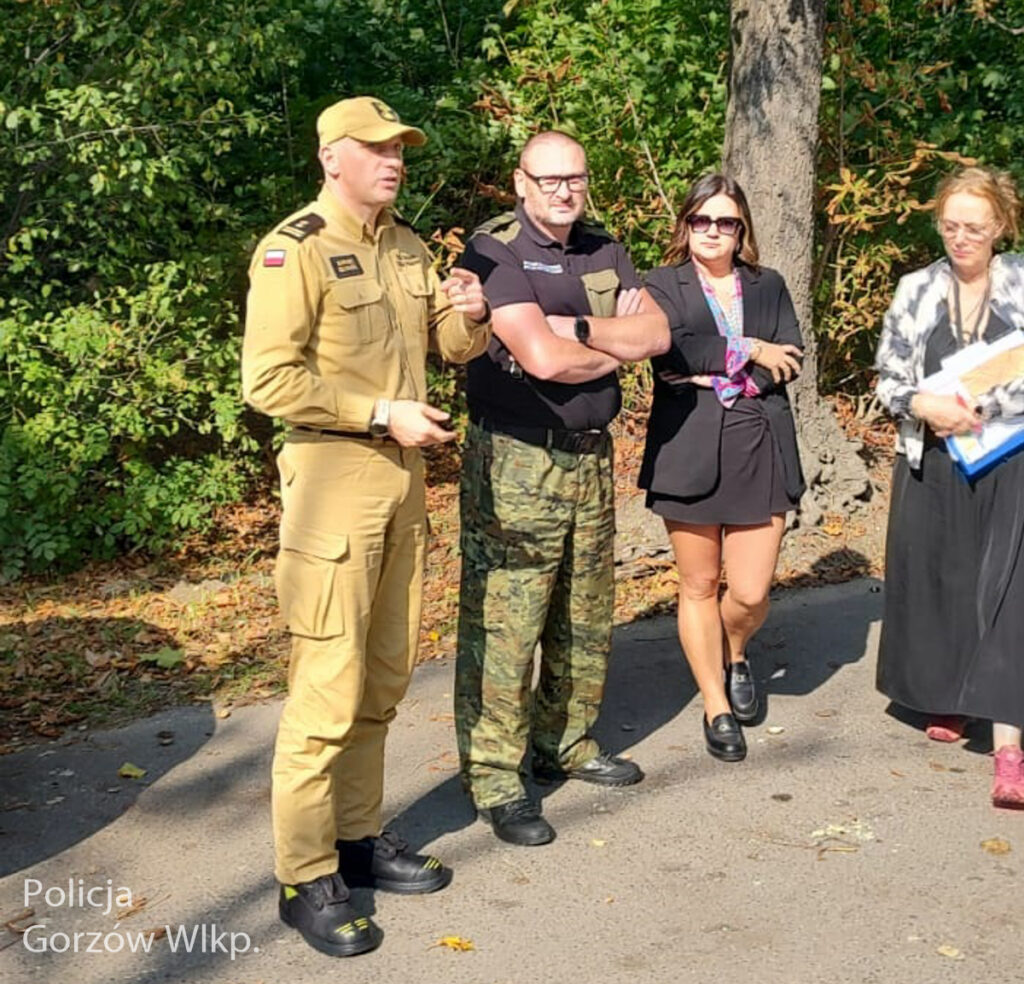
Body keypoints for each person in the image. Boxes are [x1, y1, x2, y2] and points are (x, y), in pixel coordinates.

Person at [241, 96, 491, 957]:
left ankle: (354, 840)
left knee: (384, 678)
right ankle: (304, 875)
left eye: (401, 150)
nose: (395, 161)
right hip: (332, 481)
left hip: (403, 480)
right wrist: (381, 411)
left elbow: (452, 348)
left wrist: (470, 308)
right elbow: (268, 383)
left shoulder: (408, 244)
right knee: (327, 688)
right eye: (378, 149)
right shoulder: (294, 251)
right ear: (331, 158)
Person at [453, 131, 670, 846]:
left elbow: (655, 337)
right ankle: (495, 776)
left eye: (574, 178)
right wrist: (608, 345)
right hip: (515, 459)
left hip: (589, 456)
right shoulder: (496, 249)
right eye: (548, 180)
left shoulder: (603, 247)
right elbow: (541, 359)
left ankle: (565, 744)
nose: (563, 191)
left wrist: (580, 328)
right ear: (521, 182)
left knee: (584, 610)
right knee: (509, 621)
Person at [638, 173, 805, 764]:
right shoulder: (658, 285)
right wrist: (750, 349)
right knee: (698, 585)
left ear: (742, 230)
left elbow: (791, 353)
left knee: (751, 592)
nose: (713, 231)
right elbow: (668, 353)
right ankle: (715, 703)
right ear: (686, 226)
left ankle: (736, 648)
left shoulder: (767, 286)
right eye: (702, 220)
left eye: (725, 222)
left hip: (759, 439)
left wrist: (735, 379)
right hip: (686, 446)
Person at [874, 166, 1024, 809]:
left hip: (1012, 456)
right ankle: (952, 692)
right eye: (950, 225)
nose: (960, 238)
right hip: (934, 459)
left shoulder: (1021, 282)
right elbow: (887, 379)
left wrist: (986, 410)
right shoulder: (916, 289)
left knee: (1008, 590)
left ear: (1001, 227)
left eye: (974, 227)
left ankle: (1010, 747)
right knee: (946, 578)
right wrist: (924, 406)